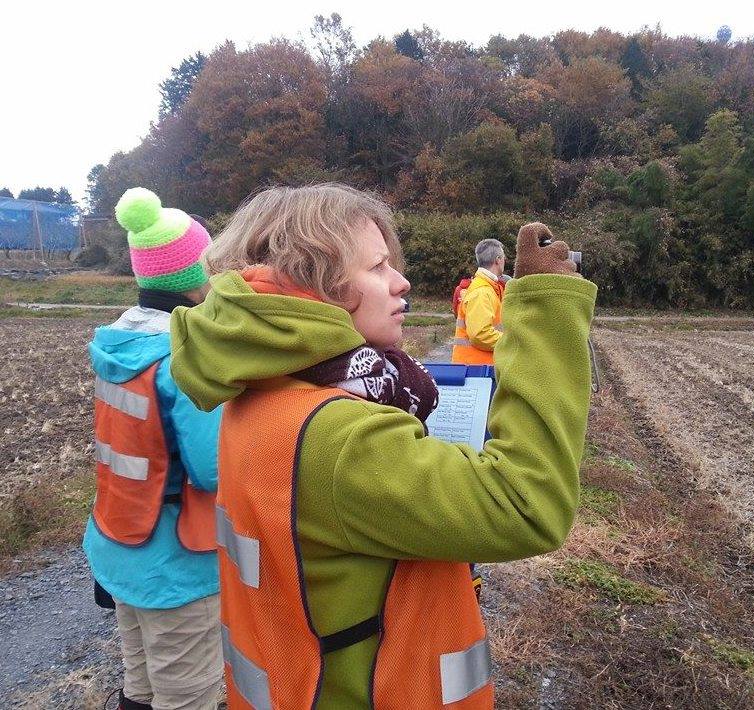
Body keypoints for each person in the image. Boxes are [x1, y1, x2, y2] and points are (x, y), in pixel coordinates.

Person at [169, 183, 597, 709]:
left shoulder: (262, 394)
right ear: (312, 285)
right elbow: (526, 505)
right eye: (375, 268)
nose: (401, 282)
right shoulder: (340, 437)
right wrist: (549, 313)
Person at [83, 188, 223, 710]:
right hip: (176, 561)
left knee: (140, 681)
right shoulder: (185, 360)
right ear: (194, 281)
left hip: (119, 540)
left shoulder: (117, 343)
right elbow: (213, 471)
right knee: (187, 693)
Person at [451, 239, 508, 365]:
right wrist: (511, 342)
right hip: (476, 369)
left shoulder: (488, 287)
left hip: (477, 367)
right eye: (503, 257)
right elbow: (480, 335)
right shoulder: (482, 292)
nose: (505, 260)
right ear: (498, 260)